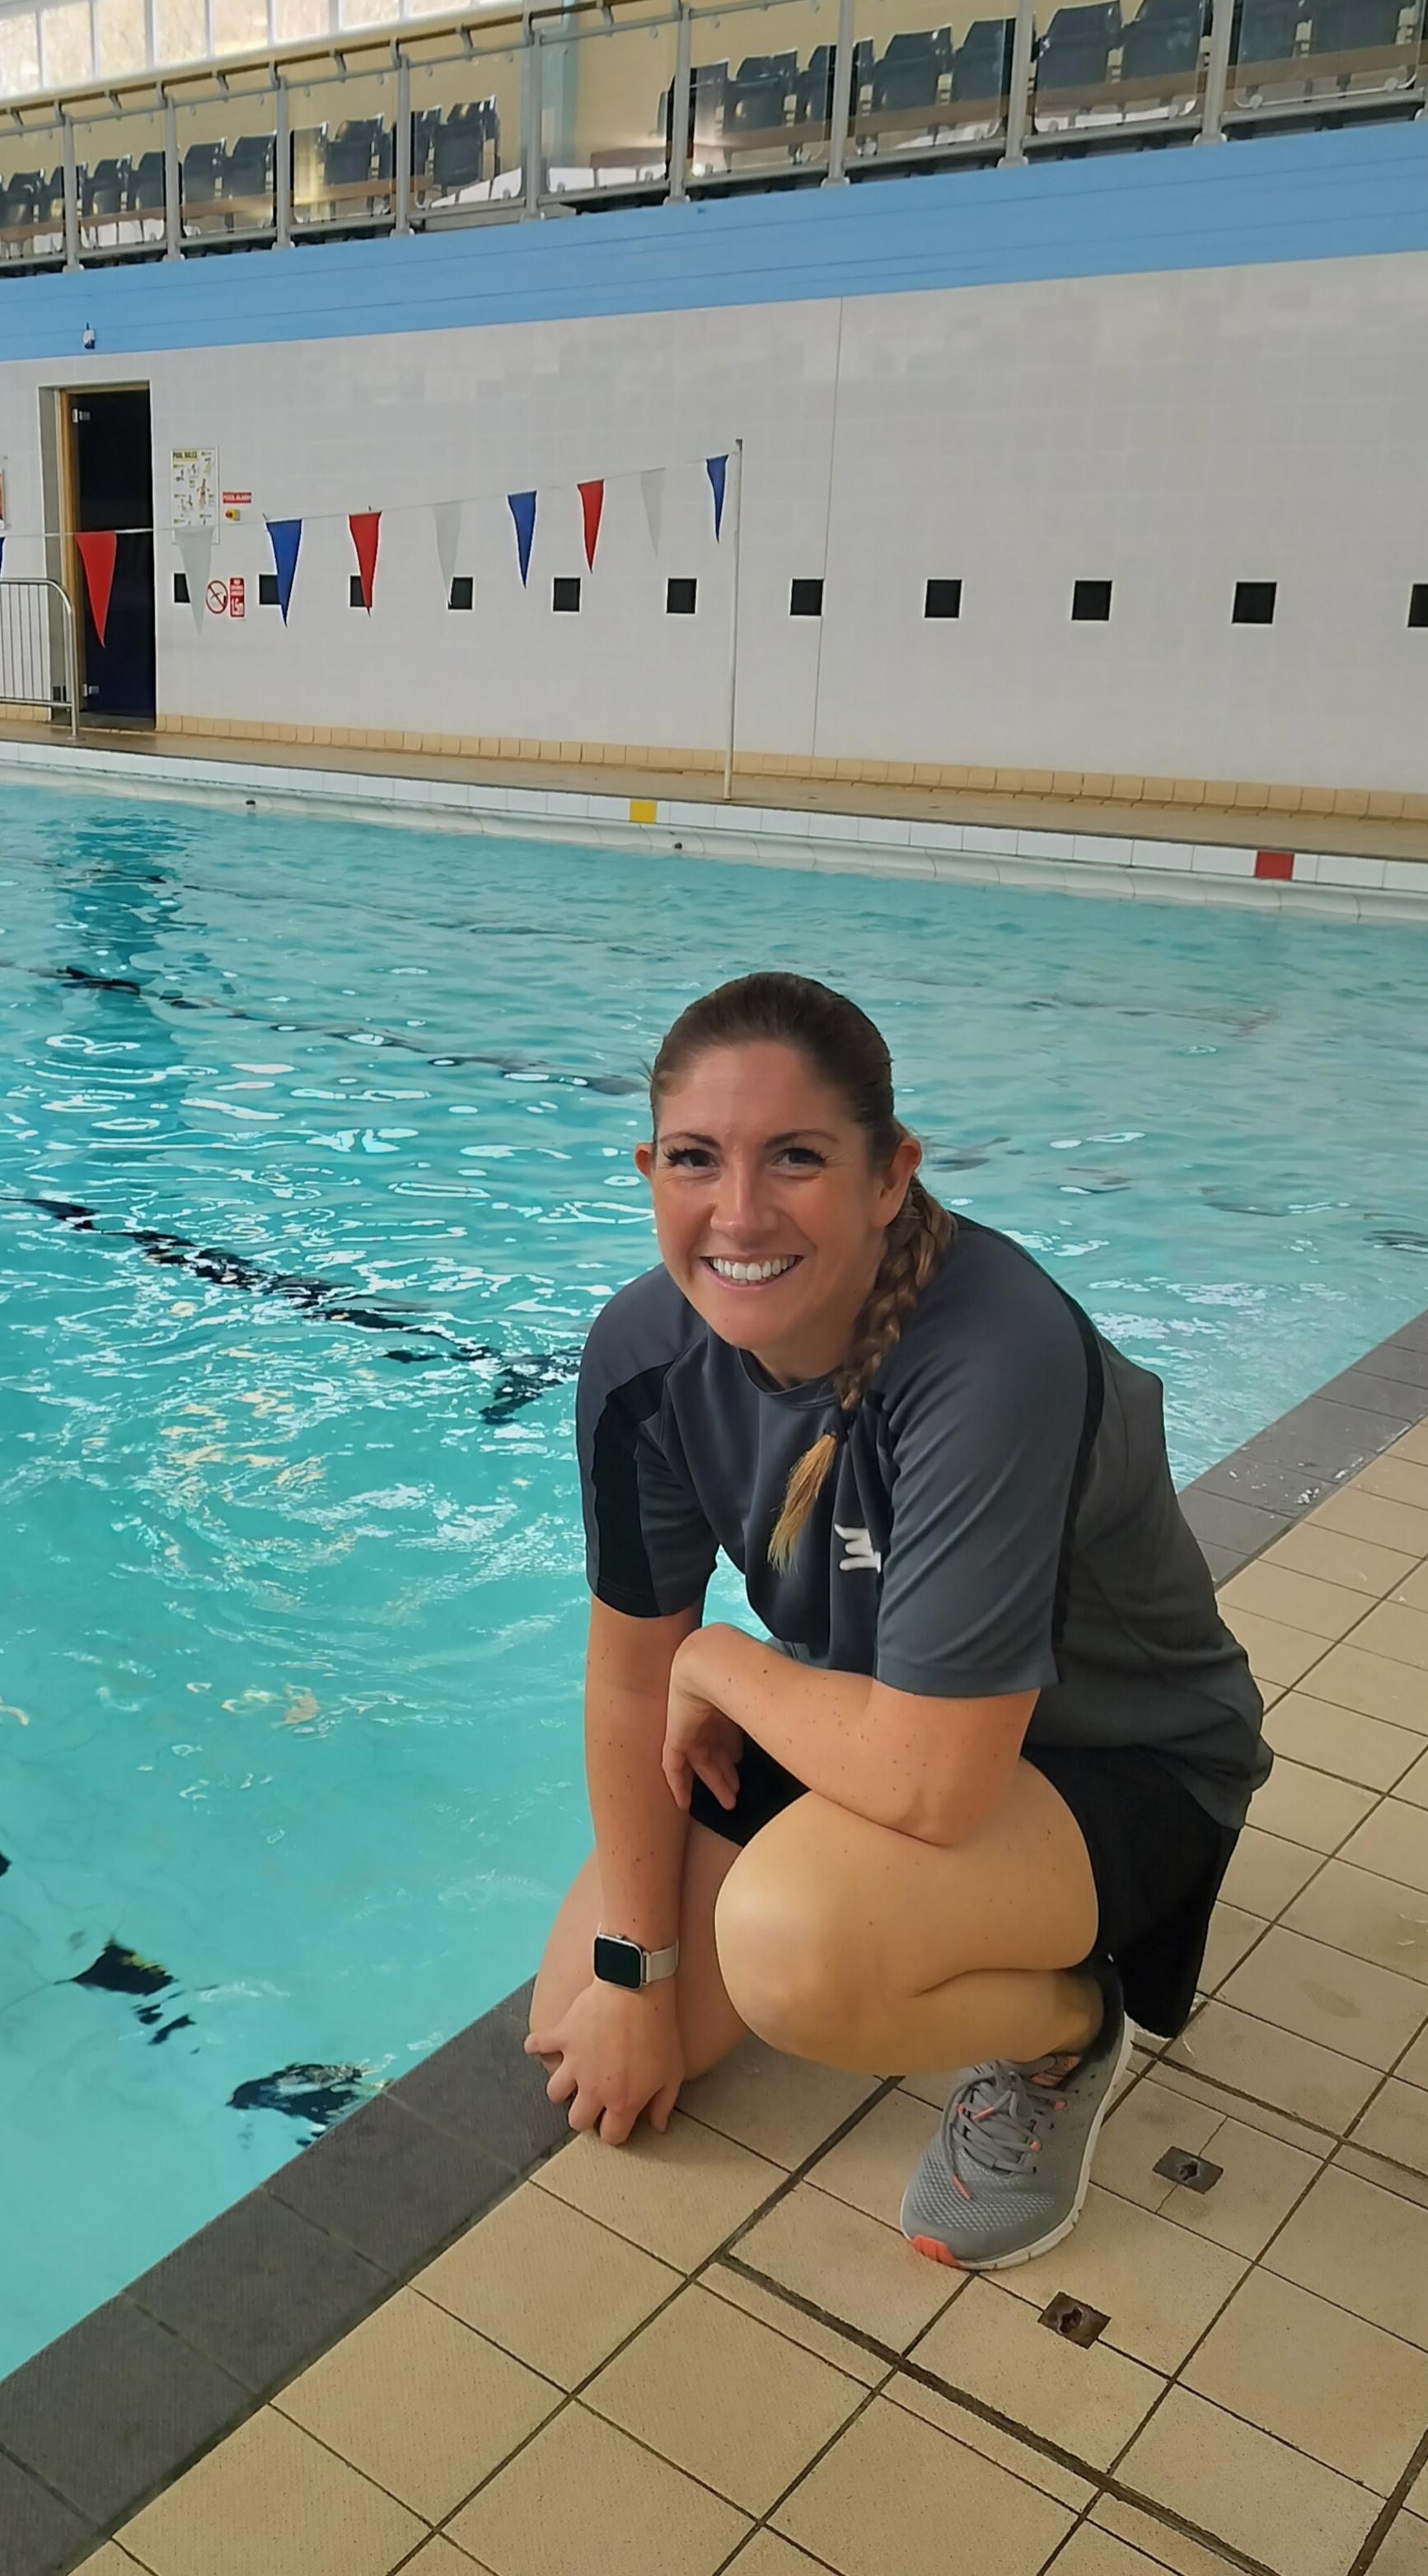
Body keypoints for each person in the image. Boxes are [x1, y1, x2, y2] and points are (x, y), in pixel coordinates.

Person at [529, 972, 1267, 2270]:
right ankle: (882, 1928)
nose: (739, 1213)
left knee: (791, 1953)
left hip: (1115, 1760)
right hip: (866, 1723)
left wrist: (717, 1659)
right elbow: (622, 1683)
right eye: (697, 1159)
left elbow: (931, 1785)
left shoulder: (991, 1355)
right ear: (649, 1167)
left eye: (797, 1159)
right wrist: (634, 1970)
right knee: (583, 2016)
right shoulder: (644, 1353)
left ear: (888, 1175)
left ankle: (1058, 2029)